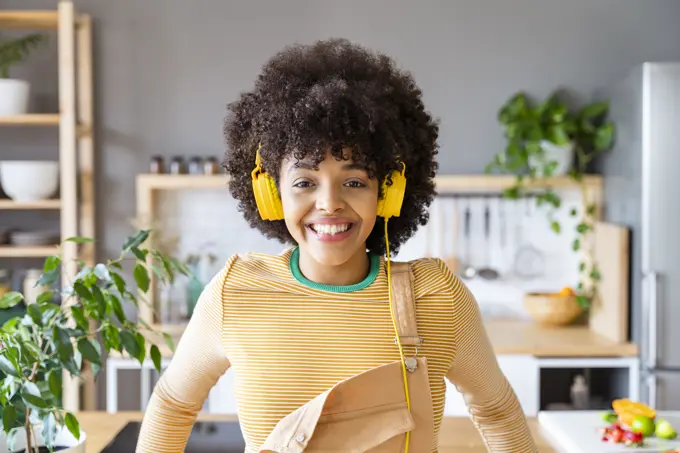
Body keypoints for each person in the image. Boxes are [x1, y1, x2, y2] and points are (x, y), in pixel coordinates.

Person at [136, 38, 537, 452]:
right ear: (272, 195)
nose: (329, 203)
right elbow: (172, 404)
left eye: (354, 181)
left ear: (388, 192)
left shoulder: (436, 297)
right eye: (305, 182)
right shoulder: (234, 294)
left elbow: (497, 411)